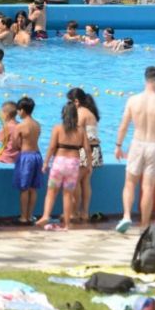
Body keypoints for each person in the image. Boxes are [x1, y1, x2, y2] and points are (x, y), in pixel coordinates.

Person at [114, 66, 155, 233]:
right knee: (148, 187)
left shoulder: (132, 100)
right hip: (154, 146)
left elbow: (123, 125)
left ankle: (127, 216)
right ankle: (143, 225)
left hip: (136, 144)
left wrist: (118, 146)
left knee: (129, 183)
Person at [35, 103, 90, 231]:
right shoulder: (81, 130)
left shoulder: (58, 128)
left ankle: (46, 215)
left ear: (63, 114)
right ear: (75, 116)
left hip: (59, 163)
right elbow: (87, 149)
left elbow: (52, 147)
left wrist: (45, 162)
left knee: (51, 192)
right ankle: (66, 224)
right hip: (73, 164)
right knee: (67, 194)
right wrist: (88, 164)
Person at [70, 88, 102, 223]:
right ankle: (85, 212)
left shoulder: (80, 113)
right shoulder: (91, 113)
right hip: (95, 149)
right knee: (85, 182)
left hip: (85, 149)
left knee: (76, 181)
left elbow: (77, 135)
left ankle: (75, 212)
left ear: (76, 101)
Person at [12, 97, 43, 224]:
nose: (18, 113)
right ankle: (30, 215)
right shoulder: (37, 124)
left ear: (23, 111)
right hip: (37, 155)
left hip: (26, 157)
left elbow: (15, 144)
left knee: (24, 188)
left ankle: (23, 216)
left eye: (18, 110)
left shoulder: (20, 126)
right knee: (33, 188)